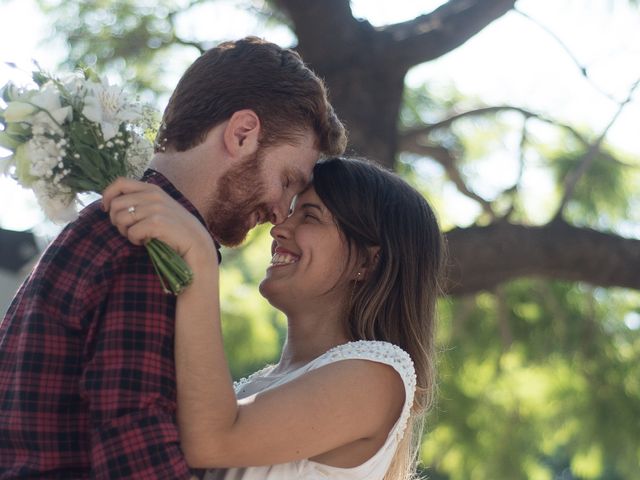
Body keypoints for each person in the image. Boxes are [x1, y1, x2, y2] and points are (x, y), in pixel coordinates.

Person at [0, 37, 346, 479]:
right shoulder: (153, 248)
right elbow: (135, 445)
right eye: (287, 180)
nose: (281, 212)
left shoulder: (110, 224)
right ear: (242, 134)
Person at [103, 157, 444, 480]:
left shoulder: (378, 376)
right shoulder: (259, 387)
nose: (278, 229)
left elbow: (213, 441)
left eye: (309, 216)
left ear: (369, 263)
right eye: (290, 212)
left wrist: (199, 256)